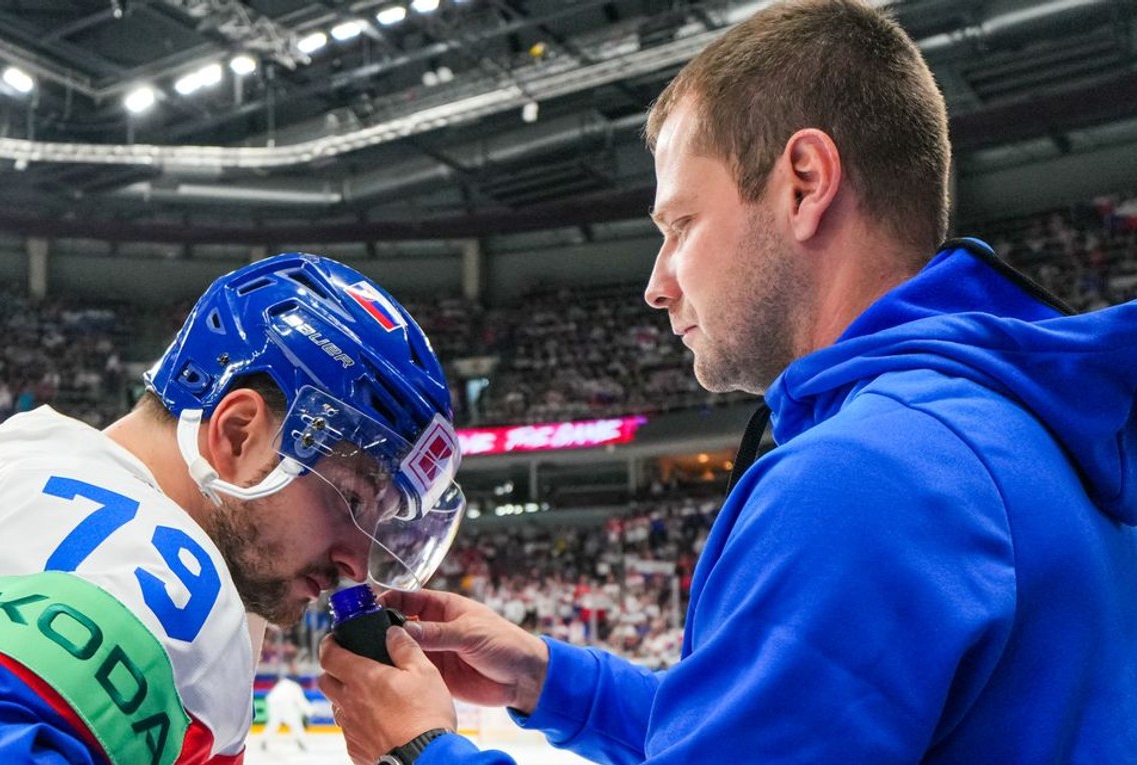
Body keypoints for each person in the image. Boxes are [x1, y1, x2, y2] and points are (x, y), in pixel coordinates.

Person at [318, 1, 1137, 763]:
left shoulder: (866, 479)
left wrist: (421, 748)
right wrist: (550, 678)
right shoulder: (1001, 427)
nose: (657, 282)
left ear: (805, 183)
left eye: (680, 225)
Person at [0, 253, 467, 764]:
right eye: (350, 498)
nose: (356, 560)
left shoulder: (17, 451)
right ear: (236, 433)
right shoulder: (163, 572)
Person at [260, 669, 313, 752]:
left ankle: (264, 740)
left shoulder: (282, 683)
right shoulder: (295, 686)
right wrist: (310, 711)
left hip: (273, 703)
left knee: (273, 723)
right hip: (285, 704)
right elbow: (301, 702)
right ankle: (301, 741)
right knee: (295, 722)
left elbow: (270, 697)